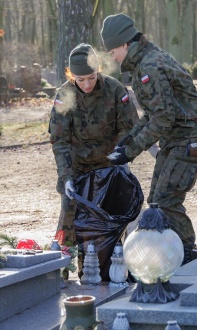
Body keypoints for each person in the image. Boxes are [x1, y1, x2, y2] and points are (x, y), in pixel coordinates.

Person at [100, 13, 197, 264]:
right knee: (158, 199)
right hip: (177, 139)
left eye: (112, 51)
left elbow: (163, 118)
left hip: (190, 139)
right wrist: (127, 140)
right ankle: (177, 253)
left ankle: (187, 255)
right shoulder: (146, 61)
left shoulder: (149, 66)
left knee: (166, 200)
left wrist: (131, 152)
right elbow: (153, 113)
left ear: (124, 44)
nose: (113, 57)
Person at [49, 43, 138, 279]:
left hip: (109, 164)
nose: (87, 84)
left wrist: (121, 157)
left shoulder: (115, 89)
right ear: (71, 75)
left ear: (98, 71)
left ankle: (109, 271)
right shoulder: (64, 95)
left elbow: (129, 128)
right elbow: (60, 140)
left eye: (91, 77)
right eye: (81, 79)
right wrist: (66, 177)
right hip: (76, 166)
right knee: (69, 215)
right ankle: (63, 273)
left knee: (108, 218)